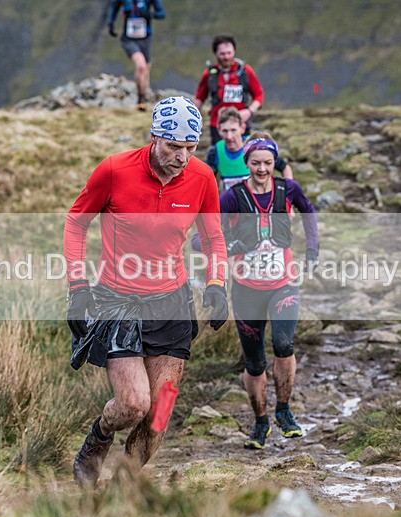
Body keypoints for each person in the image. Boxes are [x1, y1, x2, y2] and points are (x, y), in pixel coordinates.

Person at [64, 96, 229, 488]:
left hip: (172, 305)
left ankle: (122, 491)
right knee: (133, 404)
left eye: (190, 148)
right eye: (173, 146)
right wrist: (78, 288)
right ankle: (99, 436)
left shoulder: (202, 178)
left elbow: (213, 237)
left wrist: (217, 285)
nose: (182, 157)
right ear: (154, 137)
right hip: (118, 303)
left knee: (160, 413)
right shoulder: (114, 170)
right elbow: (76, 223)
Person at [221, 136, 319, 450]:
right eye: (255, 163)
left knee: (283, 343)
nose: (262, 169)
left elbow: (309, 212)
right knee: (254, 363)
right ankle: (261, 422)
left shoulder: (288, 189)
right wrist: (232, 245)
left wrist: (313, 250)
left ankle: (284, 412)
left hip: (283, 285)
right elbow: (202, 237)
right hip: (246, 290)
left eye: (268, 163)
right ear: (246, 163)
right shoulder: (232, 197)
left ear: (275, 163)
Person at [193, 35, 265, 144]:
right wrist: (190, 116)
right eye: (222, 54)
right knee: (219, 153)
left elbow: (259, 95)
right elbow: (199, 98)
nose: (226, 57)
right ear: (215, 53)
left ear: (234, 52)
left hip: (241, 124)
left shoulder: (245, 71)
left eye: (229, 53)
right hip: (217, 126)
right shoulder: (209, 74)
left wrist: (249, 111)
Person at [207, 108, 293, 191]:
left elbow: (285, 168)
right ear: (218, 130)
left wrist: (287, 193)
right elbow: (207, 179)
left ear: (242, 128)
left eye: (233, 130)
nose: (229, 136)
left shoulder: (256, 145)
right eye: (225, 131)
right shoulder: (215, 151)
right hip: (230, 200)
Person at [107, 0, 166, 111]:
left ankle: (144, 98)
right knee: (141, 66)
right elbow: (113, 8)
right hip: (128, 40)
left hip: (145, 40)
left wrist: (149, 15)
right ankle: (140, 99)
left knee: (145, 70)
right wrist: (110, 23)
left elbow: (162, 14)